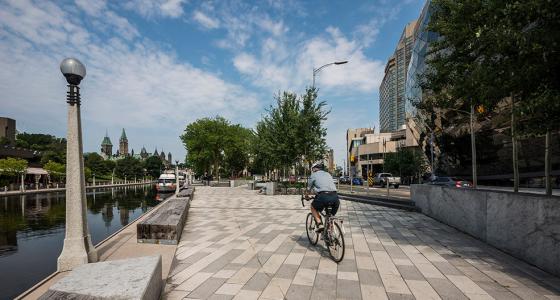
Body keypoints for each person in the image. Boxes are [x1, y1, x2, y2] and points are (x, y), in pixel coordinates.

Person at [305, 162, 339, 233]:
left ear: (314, 169)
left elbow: (308, 188)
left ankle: (320, 224)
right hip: (335, 197)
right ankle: (330, 234)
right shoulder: (328, 174)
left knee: (313, 207)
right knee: (330, 217)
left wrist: (306, 196)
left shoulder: (313, 175)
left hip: (323, 196)